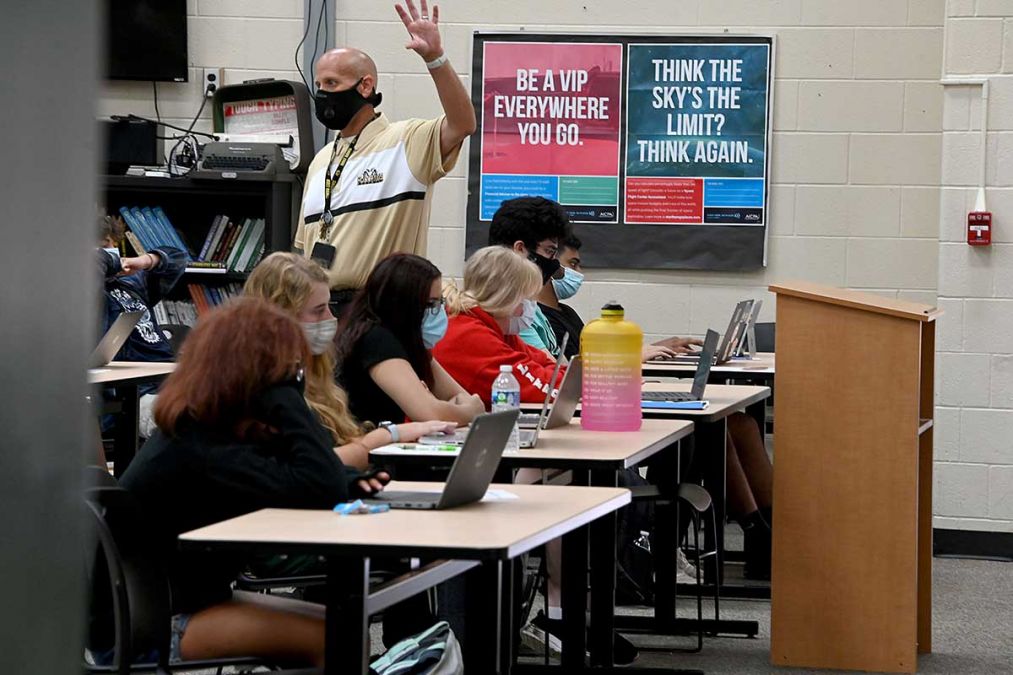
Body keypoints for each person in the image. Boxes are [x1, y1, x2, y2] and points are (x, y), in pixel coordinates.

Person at [107, 298, 390, 668]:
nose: (297, 378)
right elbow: (322, 485)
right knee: (335, 639)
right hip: (151, 624)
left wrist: (351, 481)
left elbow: (309, 479)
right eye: (289, 371)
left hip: (180, 601)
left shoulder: (209, 431)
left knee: (345, 628)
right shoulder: (199, 448)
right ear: (255, 377)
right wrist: (285, 396)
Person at [293, 0, 476, 314]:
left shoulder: (406, 141)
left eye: (332, 83)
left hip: (383, 309)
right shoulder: (322, 160)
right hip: (323, 311)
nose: (322, 94)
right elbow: (302, 251)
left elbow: (463, 124)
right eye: (319, 84)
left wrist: (435, 59)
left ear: (365, 86)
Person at [244, 252, 456, 469]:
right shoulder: (262, 388)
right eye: (318, 310)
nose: (330, 317)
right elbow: (318, 465)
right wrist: (388, 436)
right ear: (280, 315)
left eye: (329, 306)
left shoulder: (312, 372)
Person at [334, 253, 485, 428]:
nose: (437, 311)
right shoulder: (376, 339)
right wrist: (469, 412)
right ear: (402, 304)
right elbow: (431, 414)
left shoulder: (411, 342)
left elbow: (460, 397)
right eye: (430, 304)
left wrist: (450, 409)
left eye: (439, 302)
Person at [434, 246, 564, 405]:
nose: (526, 308)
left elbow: (548, 366)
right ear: (505, 299)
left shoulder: (494, 329)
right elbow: (544, 390)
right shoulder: (471, 335)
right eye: (525, 298)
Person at [98, 212, 186, 437]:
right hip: (137, 394)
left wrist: (145, 261)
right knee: (189, 422)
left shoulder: (131, 283)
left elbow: (177, 260)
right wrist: (102, 260)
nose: (105, 255)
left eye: (107, 246)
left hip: (170, 380)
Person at [487, 196, 572, 357]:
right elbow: (553, 376)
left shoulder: (528, 304)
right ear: (520, 249)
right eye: (549, 251)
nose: (553, 262)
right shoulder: (510, 313)